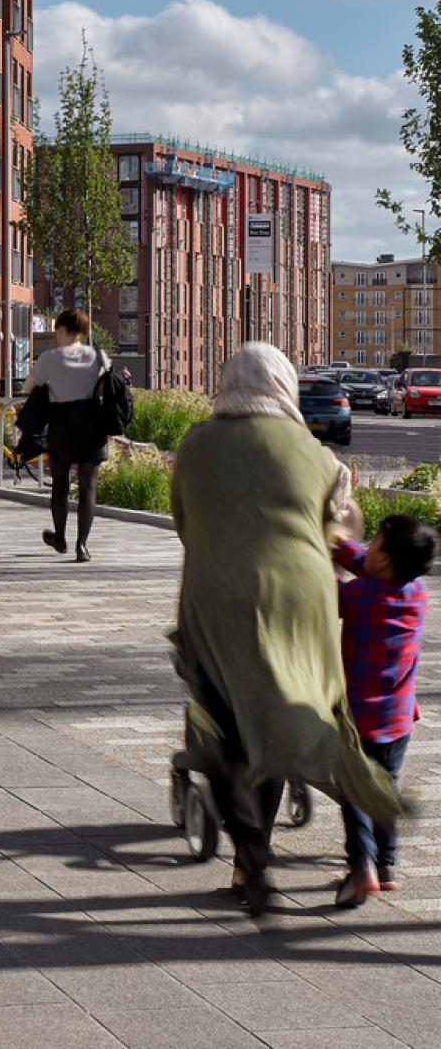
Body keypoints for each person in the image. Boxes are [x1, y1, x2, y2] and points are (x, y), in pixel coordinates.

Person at [171, 342, 400, 917]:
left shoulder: (195, 447)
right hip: (303, 606)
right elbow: (335, 528)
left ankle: (251, 859)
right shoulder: (317, 454)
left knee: (236, 731)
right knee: (315, 715)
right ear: (285, 386)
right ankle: (364, 859)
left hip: (218, 608)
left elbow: (183, 524)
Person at [332, 515, 434, 907]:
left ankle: (362, 868)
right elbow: (368, 566)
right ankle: (387, 865)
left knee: (355, 793)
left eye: (373, 542)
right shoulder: (416, 594)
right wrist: (345, 547)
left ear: (387, 560)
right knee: (384, 789)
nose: (367, 547)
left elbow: (329, 592)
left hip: (358, 719)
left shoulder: (360, 596)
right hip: (397, 719)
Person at [21, 308, 109, 563]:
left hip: (62, 425)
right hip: (92, 424)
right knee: (88, 487)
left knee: (60, 486)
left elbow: (29, 387)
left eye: (57, 331)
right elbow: (107, 389)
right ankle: (82, 546)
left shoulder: (50, 358)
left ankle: (60, 537)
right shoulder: (99, 357)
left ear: (61, 330)